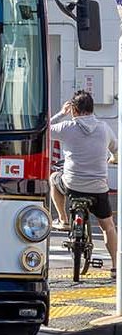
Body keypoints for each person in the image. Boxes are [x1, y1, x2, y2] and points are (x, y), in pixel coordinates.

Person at [50, 90, 118, 279]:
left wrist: (61, 113)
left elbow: (45, 129)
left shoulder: (67, 127)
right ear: (92, 108)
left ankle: (63, 220)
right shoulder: (104, 128)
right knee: (108, 226)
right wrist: (113, 158)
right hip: (98, 188)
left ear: (74, 110)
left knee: (54, 178)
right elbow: (116, 149)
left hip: (72, 185)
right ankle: (115, 267)